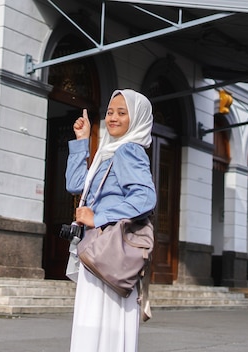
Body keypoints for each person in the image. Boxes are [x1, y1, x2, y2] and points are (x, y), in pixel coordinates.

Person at [65, 89, 157, 352]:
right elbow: (76, 186)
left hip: (109, 250)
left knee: (99, 322)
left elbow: (145, 198)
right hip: (100, 251)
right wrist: (82, 141)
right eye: (109, 112)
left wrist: (99, 217)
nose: (113, 117)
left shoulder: (128, 150)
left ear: (137, 118)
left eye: (122, 112)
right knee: (97, 322)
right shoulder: (109, 151)